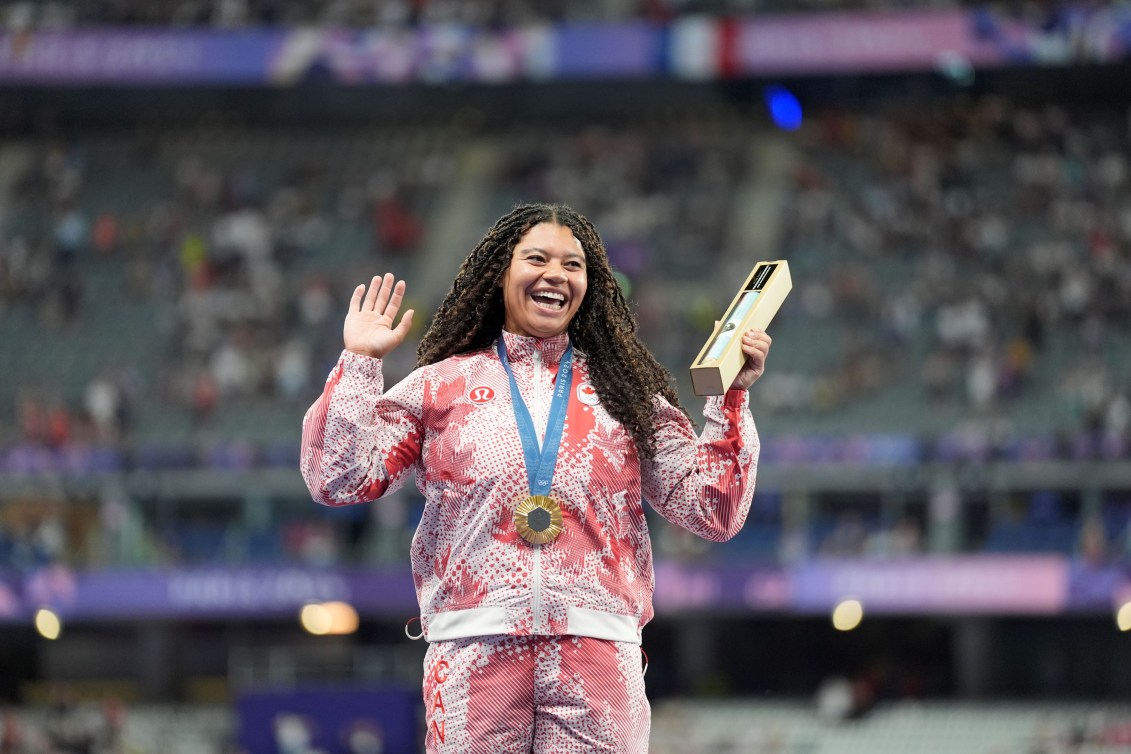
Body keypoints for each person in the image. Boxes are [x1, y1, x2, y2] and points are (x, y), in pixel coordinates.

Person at [300, 203, 772, 753]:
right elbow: (338, 478)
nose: (556, 274)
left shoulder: (628, 397)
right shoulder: (438, 389)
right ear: (502, 274)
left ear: (590, 286)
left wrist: (730, 397)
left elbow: (714, 510)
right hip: (475, 656)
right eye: (537, 259)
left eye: (573, 265)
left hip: (597, 659)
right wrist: (358, 362)